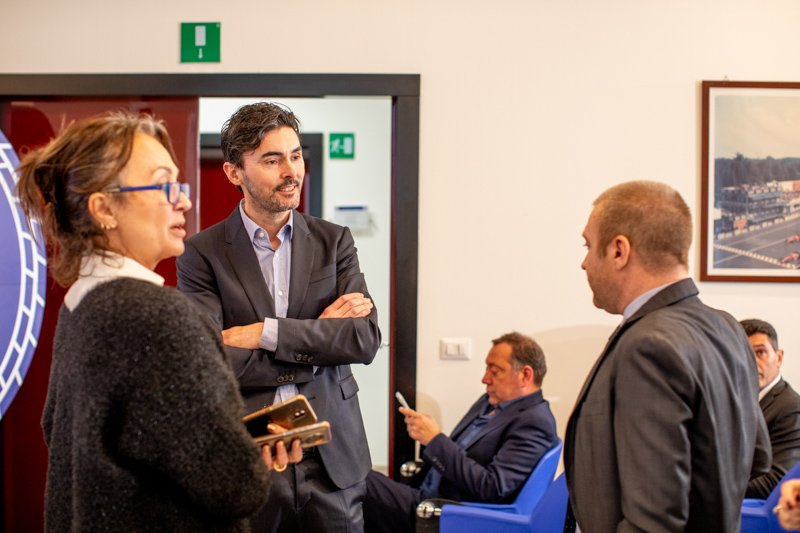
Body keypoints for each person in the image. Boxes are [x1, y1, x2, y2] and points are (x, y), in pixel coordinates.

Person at [15, 112, 300, 532]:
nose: (182, 200)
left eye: (178, 185)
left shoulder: (81, 304)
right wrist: (246, 458)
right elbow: (234, 488)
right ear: (104, 208)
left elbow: (72, 431)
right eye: (164, 184)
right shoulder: (160, 317)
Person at [176, 101, 382, 532]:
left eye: (295, 155)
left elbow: (362, 340)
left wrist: (265, 333)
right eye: (272, 160)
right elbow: (209, 357)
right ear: (235, 172)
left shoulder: (334, 241)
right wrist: (318, 340)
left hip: (333, 462)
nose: (291, 171)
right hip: (252, 455)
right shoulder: (202, 254)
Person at [564, 180, 771, 532]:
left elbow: (653, 523)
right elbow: (757, 457)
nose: (584, 262)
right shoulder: (728, 328)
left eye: (587, 245)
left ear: (619, 250)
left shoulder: (648, 346)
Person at [363, 332, 558, 533]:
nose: (485, 379)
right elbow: (463, 454)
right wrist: (427, 435)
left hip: (448, 511)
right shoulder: (488, 402)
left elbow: (491, 488)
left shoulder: (534, 422)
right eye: (486, 368)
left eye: (495, 370)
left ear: (525, 375)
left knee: (356, 481)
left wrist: (435, 440)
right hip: (425, 492)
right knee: (352, 483)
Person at [741, 318, 800, 499]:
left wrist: (716, 493)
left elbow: (777, 481)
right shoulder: (727, 398)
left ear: (779, 357)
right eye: (744, 353)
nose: (752, 362)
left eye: (760, 353)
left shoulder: (792, 408)